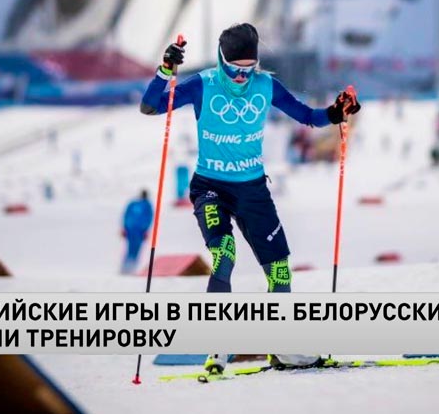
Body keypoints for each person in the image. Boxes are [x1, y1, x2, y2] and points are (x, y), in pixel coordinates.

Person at [139, 23, 360, 373]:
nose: (242, 77)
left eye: (249, 69)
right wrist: (166, 70)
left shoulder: (266, 86)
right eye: (234, 69)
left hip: (252, 189)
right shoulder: (203, 85)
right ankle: (218, 346)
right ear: (220, 60)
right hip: (211, 187)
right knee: (224, 254)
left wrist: (336, 113)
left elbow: (306, 116)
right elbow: (150, 107)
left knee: (280, 272)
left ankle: (282, 348)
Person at [120, 190, 154, 274]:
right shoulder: (145, 205)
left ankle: (129, 268)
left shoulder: (135, 204)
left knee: (132, 249)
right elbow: (149, 218)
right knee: (133, 249)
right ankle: (127, 268)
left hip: (135, 230)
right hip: (136, 230)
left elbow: (126, 216)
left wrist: (124, 227)